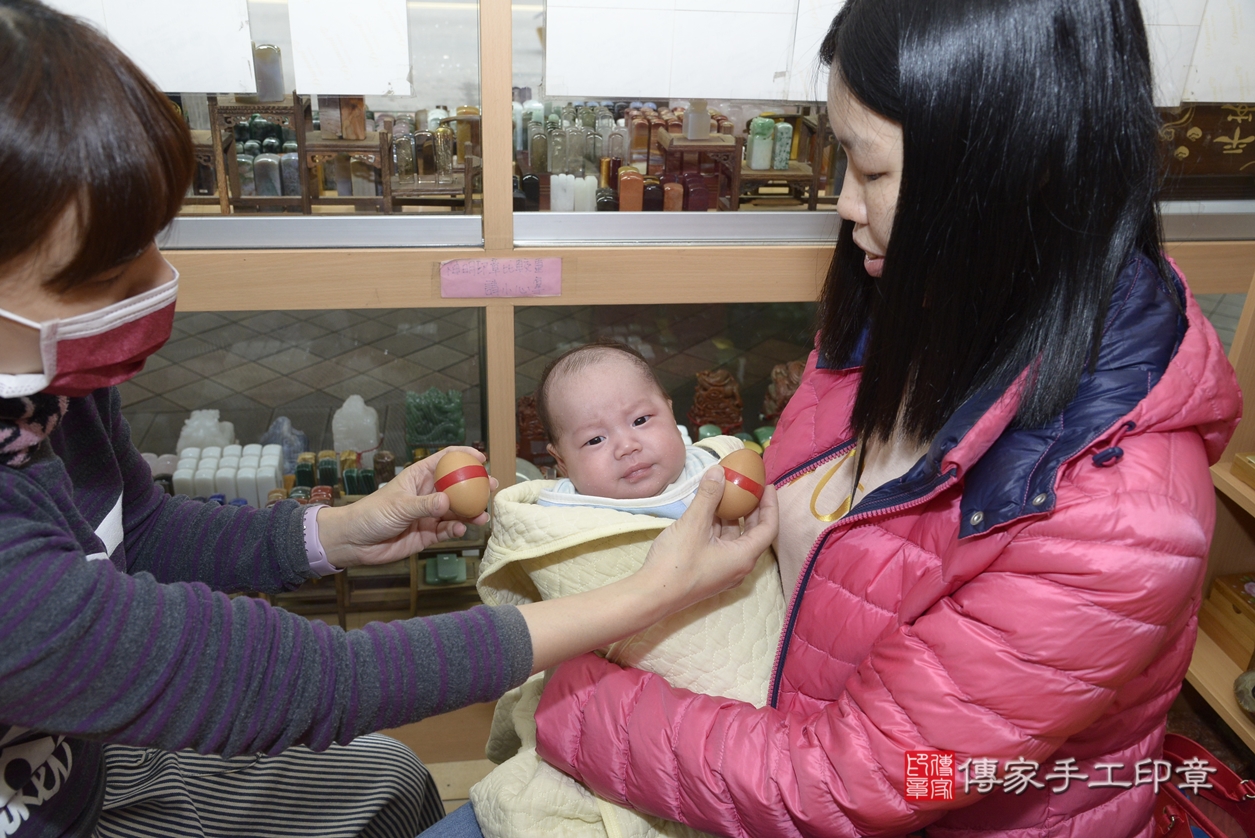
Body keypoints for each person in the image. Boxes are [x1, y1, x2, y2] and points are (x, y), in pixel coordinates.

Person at [0, 3, 775, 837]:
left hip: (88, 754)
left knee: (394, 782)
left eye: (155, 238)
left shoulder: (49, 386)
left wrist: (335, 533)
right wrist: (651, 592)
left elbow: (133, 532)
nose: (160, 281)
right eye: (110, 271)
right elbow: (309, 682)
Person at [522, 1, 1245, 837]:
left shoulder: (1117, 521)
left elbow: (851, 781)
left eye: (868, 171)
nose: (840, 201)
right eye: (840, 159)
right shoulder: (901, 306)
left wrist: (569, 693)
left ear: (1014, 172)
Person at [465, 343, 784, 837]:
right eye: (593, 440)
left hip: (759, 715)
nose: (626, 446)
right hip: (632, 717)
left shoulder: (720, 472)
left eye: (641, 420)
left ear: (671, 412)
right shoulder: (561, 524)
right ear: (560, 462)